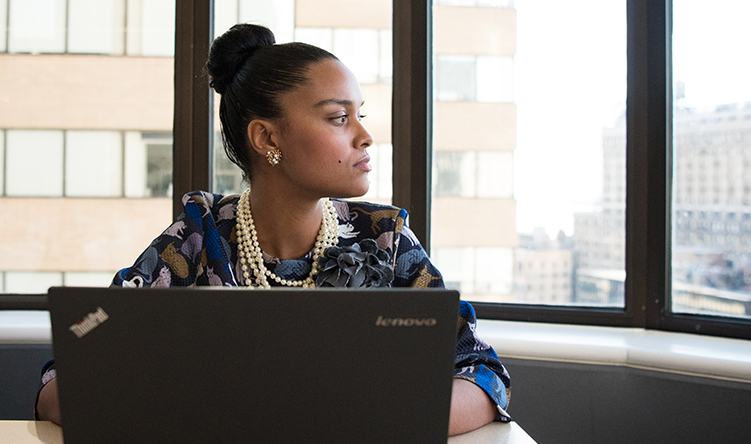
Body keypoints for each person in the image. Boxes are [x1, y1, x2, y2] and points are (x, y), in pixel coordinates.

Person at [35, 23, 511, 436]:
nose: (365, 136)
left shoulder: (386, 240)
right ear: (266, 138)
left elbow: (484, 374)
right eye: (338, 117)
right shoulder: (197, 239)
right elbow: (62, 382)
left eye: (359, 115)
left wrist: (371, 421)